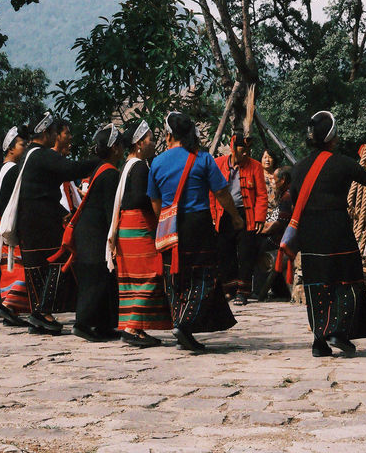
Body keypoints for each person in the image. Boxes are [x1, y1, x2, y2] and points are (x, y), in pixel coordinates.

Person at [292, 111, 366, 358]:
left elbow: (294, 201)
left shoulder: (298, 168)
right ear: (333, 136)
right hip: (337, 230)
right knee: (346, 281)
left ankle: (319, 341)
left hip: (310, 234)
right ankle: (338, 332)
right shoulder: (343, 163)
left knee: (316, 284)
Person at [148, 111, 243, 353]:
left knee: (175, 277)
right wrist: (235, 216)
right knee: (204, 277)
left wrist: (165, 221)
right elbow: (222, 193)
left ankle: (181, 321)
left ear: (169, 135)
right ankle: (185, 324)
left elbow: (156, 204)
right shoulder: (203, 159)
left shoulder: (157, 162)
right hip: (198, 225)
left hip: (170, 226)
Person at [15, 112, 98, 335]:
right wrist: (100, 162)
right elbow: (71, 169)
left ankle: (40, 314)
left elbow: (40, 191)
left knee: (36, 269)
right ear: (46, 133)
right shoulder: (41, 155)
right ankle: (42, 311)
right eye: (54, 132)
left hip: (31, 221)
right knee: (59, 261)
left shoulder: (29, 155)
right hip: (39, 222)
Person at [107, 120, 172, 348]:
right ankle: (133, 326)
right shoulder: (141, 168)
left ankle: (136, 326)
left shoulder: (128, 166)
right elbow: (145, 200)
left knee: (135, 278)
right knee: (152, 273)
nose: (153, 143)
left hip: (127, 227)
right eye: (151, 139)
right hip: (139, 226)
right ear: (139, 143)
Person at [71, 123, 122, 342]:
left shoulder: (99, 168)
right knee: (96, 278)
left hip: (89, 229)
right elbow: (111, 208)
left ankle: (104, 324)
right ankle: (82, 323)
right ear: (114, 149)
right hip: (94, 231)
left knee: (103, 278)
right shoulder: (109, 172)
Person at [210, 133, 268, 305]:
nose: (246, 154)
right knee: (225, 252)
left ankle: (243, 292)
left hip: (246, 214)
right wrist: (213, 216)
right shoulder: (218, 164)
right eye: (242, 150)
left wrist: (259, 218)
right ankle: (230, 290)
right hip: (224, 214)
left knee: (246, 253)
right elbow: (211, 193)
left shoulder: (255, 167)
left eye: (248, 151)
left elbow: (261, 195)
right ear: (233, 149)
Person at [0, 127, 31, 327]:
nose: (24, 148)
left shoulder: (4, 168)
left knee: (11, 267)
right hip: (11, 224)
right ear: (10, 148)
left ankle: (10, 306)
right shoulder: (14, 170)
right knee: (20, 267)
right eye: (21, 145)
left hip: (3, 222)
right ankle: (8, 304)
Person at [255, 166, 293, 301]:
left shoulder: (287, 196)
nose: (272, 182)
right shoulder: (285, 194)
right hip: (278, 233)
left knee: (258, 247)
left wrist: (263, 230)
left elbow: (279, 223)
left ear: (282, 180)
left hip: (280, 238)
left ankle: (260, 289)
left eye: (275, 179)